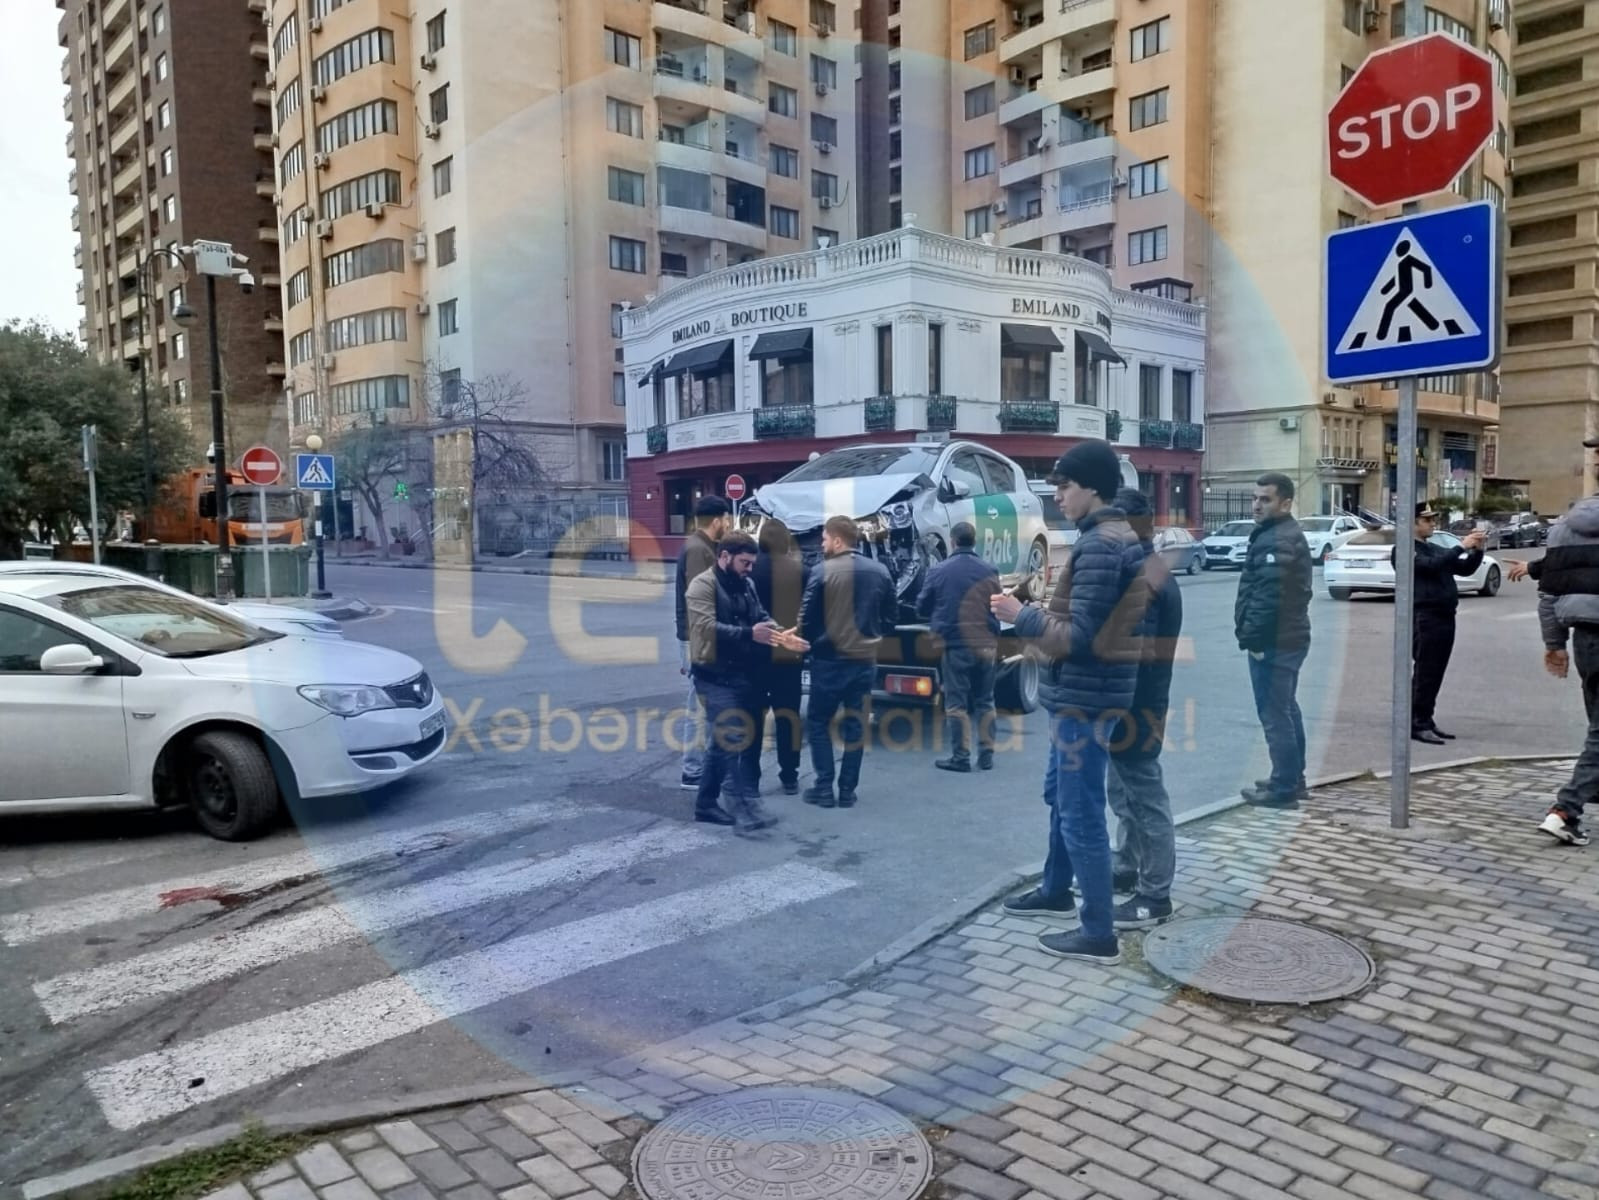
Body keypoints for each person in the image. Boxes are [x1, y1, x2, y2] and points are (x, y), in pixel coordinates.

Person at [993, 441, 1148, 965]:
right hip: (1085, 695)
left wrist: (1020, 616)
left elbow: (1081, 638)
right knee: (1061, 798)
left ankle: (1098, 933)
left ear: (1093, 488)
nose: (1057, 495)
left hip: (1086, 699)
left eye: (1065, 485)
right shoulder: (1106, 537)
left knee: (1080, 813)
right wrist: (1038, 609)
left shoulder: (1101, 545)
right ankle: (1056, 889)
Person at [685, 531, 806, 833]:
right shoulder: (701, 586)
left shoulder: (746, 583)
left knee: (721, 742)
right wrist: (750, 633)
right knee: (731, 736)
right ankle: (741, 806)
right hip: (712, 674)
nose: (750, 569)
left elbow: (761, 616)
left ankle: (705, 804)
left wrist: (781, 636)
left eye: (751, 563)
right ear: (724, 556)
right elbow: (705, 626)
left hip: (739, 672)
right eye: (745, 563)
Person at [1508, 445, 1599, 846]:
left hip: (1586, 641)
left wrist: (1554, 643)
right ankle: (1565, 811)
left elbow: (1549, 593)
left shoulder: (1563, 526)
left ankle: (1590, 791)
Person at [1105, 488, 1181, 930]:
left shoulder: (1146, 581)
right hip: (1135, 704)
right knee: (1125, 793)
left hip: (1137, 705)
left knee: (1145, 798)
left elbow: (1137, 653)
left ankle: (1155, 895)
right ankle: (1127, 866)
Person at [799, 515, 896, 809]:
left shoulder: (821, 571)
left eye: (825, 539)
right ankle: (847, 790)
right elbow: (891, 619)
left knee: (818, 722)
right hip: (864, 662)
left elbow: (806, 619)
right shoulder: (880, 572)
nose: (822, 544)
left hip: (828, 661)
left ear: (838, 540)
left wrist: (812, 643)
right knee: (856, 726)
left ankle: (824, 787)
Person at [1235, 472, 1314, 808]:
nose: (1257, 505)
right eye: (1255, 498)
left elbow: (1269, 597)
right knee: (1286, 709)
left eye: (1265, 499)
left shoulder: (1276, 539)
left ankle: (1283, 789)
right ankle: (1292, 778)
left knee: (1275, 714)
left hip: (1274, 642)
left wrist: (1252, 639)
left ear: (1285, 503)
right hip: (1289, 637)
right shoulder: (1278, 533)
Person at [1397, 503, 1485, 745]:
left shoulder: (1433, 548)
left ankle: (1425, 718)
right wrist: (1460, 546)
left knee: (1435, 672)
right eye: (1427, 520)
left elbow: (1464, 569)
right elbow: (1430, 566)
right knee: (1425, 672)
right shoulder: (1404, 550)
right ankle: (1417, 723)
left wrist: (1477, 550)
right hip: (1425, 616)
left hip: (1445, 615)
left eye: (1433, 519)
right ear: (1413, 523)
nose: (1432, 524)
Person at [917, 521, 1001, 772]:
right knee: (986, 700)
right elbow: (996, 605)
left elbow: (922, 606)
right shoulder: (990, 570)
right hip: (986, 643)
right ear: (974, 541)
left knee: (956, 703)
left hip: (956, 644)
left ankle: (961, 757)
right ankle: (986, 756)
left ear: (953, 542)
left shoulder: (939, 570)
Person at [674, 497, 731, 791]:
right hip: (699, 639)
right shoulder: (699, 550)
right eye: (727, 519)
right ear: (717, 520)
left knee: (706, 705)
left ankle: (703, 767)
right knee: (699, 707)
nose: (729, 524)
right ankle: (693, 771)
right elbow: (700, 602)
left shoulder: (703, 546)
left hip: (699, 638)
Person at [750, 521, 807, 796]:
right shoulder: (801, 571)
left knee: (753, 716)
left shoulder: (748, 570)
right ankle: (790, 776)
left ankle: (750, 777)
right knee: (789, 716)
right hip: (788, 654)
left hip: (755, 654)